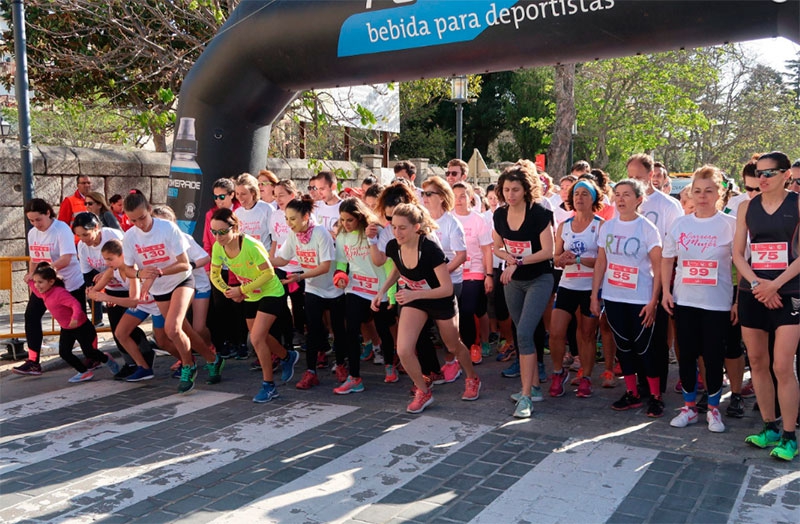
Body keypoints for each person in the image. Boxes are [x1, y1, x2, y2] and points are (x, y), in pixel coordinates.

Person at [372, 203, 481, 414]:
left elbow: (447, 289)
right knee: (403, 349)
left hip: (439, 299)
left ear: (417, 227)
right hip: (414, 298)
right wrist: (381, 291)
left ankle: (472, 377)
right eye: (394, 227)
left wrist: (415, 293)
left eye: (402, 227)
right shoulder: (394, 246)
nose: (397, 232)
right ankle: (423, 391)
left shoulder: (430, 248)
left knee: (453, 346)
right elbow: (397, 269)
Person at [733, 151, 800, 461]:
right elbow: (737, 254)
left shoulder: (796, 203)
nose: (763, 177)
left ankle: (789, 436)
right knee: (757, 362)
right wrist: (759, 285)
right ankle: (769, 427)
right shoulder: (746, 207)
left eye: (770, 172)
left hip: (788, 291)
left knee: (782, 366)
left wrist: (776, 285)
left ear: (786, 174)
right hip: (754, 292)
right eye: (760, 172)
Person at [121, 191, 223, 392]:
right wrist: (141, 273)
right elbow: (126, 269)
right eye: (133, 220)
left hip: (181, 280)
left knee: (173, 329)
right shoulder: (130, 237)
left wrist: (160, 271)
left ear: (149, 210)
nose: (140, 224)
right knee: (185, 331)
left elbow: (184, 264)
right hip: (159, 288)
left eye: (142, 217)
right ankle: (213, 359)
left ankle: (188, 365)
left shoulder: (168, 228)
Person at [663, 166, 736, 433]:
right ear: (690, 193)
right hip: (685, 301)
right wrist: (666, 292)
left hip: (717, 303)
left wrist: (737, 299)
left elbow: (740, 263)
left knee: (714, 357)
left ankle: (714, 410)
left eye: (708, 191)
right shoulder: (681, 222)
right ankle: (689, 408)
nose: (702, 196)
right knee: (687, 356)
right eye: (697, 191)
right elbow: (667, 258)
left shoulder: (731, 224)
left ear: (720, 192)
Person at [210, 207, 300, 402]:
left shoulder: (251, 245)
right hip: (250, 294)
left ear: (235, 228)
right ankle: (287, 357)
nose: (218, 237)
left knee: (256, 338)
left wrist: (241, 290)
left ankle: (269, 386)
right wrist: (229, 291)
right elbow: (214, 274)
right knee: (262, 338)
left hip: (271, 292)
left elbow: (268, 273)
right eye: (214, 232)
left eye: (223, 232)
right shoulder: (218, 247)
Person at [591, 179, 664, 417]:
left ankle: (655, 396)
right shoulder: (608, 227)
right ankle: (632, 393)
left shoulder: (647, 228)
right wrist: (595, 294)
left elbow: (658, 266)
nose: (621, 199)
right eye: (618, 194)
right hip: (614, 296)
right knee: (624, 347)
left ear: (639, 199)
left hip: (640, 299)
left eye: (627, 195)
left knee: (645, 348)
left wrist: (654, 301)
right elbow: (601, 262)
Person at [492, 164, 555, 418]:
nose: (510, 194)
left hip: (539, 278)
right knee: (521, 334)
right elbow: (496, 247)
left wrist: (516, 261)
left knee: (526, 333)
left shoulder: (539, 213)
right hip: (512, 280)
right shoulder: (499, 214)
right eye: (506, 189)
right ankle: (536, 388)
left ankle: (526, 396)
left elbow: (548, 251)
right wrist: (506, 255)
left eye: (515, 189)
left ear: (527, 190)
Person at [272, 195, 345, 390]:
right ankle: (310, 372)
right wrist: (260, 260)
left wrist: (299, 277)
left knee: (338, 331)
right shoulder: (294, 236)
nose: (289, 223)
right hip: (314, 289)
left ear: (305, 216)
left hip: (334, 289)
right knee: (312, 331)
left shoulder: (320, 233)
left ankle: (341, 365)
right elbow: (282, 260)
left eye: (293, 219)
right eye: (286, 219)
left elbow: (325, 266)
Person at [13, 199, 84, 376]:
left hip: (68, 282)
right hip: (44, 285)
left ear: (47, 213)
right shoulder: (33, 233)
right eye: (31, 221)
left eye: (38, 220)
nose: (35, 224)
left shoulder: (61, 229)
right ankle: (33, 361)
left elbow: (67, 258)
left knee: (76, 322)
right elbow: (35, 259)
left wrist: (47, 271)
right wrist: (33, 281)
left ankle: (92, 355)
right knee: (31, 316)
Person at [333, 197, 395, 392]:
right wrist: (340, 275)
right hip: (356, 286)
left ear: (360, 217)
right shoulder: (342, 236)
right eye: (342, 220)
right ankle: (355, 377)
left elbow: (389, 263)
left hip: (379, 288)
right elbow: (342, 262)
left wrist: (391, 293)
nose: (345, 224)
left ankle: (390, 365)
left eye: (349, 220)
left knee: (383, 329)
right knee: (351, 329)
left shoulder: (377, 231)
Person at [550, 179, 604, 399]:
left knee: (587, 335)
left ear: (593, 199)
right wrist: (561, 258)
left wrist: (579, 258)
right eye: (576, 195)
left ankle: (586, 377)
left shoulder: (600, 225)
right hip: (567, 285)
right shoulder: (564, 225)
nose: (579, 198)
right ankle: (557, 372)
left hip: (590, 287)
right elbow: (555, 259)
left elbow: (603, 260)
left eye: (584, 194)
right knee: (555, 333)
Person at [27, 262, 119, 382]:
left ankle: (107, 359)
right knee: (64, 353)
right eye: (35, 282)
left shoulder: (59, 293)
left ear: (51, 282)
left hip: (80, 326)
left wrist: (75, 318)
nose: (37, 285)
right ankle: (84, 372)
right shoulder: (45, 293)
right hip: (67, 328)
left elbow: (75, 304)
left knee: (89, 352)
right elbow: (37, 292)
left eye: (40, 282)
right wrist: (29, 281)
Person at [86, 239, 160, 380]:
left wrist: (107, 298)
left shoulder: (132, 269)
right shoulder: (111, 271)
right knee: (121, 333)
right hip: (143, 304)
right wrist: (90, 291)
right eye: (105, 259)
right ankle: (143, 368)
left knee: (165, 340)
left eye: (110, 259)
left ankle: (187, 362)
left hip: (157, 302)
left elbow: (133, 301)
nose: (107, 263)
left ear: (123, 256)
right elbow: (94, 290)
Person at [421, 176, 469, 374]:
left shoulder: (452, 223)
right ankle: (431, 368)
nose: (424, 198)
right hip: (424, 284)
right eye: (423, 194)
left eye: (429, 194)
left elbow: (462, 256)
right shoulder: (421, 220)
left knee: (446, 331)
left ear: (441, 197)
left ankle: (453, 362)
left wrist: (441, 273)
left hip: (450, 282)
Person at [202, 177, 246, 359]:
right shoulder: (209, 214)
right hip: (219, 268)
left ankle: (241, 342)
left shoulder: (239, 212)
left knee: (239, 305)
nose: (218, 201)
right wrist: (208, 267)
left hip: (239, 267)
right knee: (221, 306)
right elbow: (207, 242)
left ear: (231, 195)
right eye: (215, 197)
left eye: (222, 196)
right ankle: (226, 342)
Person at [452, 181, 494, 361]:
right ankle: (462, 345)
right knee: (461, 311)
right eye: (455, 196)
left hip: (475, 270)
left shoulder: (478, 220)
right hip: (453, 271)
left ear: (470, 197)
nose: (459, 200)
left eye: (463, 196)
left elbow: (487, 250)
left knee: (469, 309)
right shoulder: (448, 218)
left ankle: (475, 345)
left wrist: (489, 275)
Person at [73, 211, 123, 329]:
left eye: (85, 234)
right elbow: (87, 272)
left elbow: (128, 261)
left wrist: (107, 273)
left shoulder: (114, 236)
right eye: (78, 235)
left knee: (126, 328)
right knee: (117, 331)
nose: (82, 239)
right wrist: (90, 287)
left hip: (127, 285)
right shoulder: (82, 246)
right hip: (111, 287)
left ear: (96, 228)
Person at [234, 173, 273, 250]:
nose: (239, 197)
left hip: (263, 256)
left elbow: (274, 238)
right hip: (245, 258)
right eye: (237, 194)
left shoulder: (267, 209)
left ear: (253, 192)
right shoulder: (237, 213)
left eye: (243, 194)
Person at [310, 171, 343, 237]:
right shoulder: (316, 206)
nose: (319, 193)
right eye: (317, 189)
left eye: (322, 189)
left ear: (333, 186)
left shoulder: (345, 207)